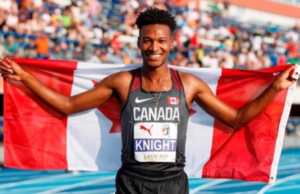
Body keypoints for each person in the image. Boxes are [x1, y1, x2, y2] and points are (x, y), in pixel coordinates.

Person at [0, 8, 297, 194]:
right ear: (139, 42)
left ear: (171, 44)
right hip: (131, 183)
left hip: (172, 185)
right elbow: (67, 106)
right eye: (147, 40)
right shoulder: (122, 82)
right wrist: (24, 77)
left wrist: (274, 88)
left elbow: (236, 118)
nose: (153, 47)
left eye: (160, 41)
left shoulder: (189, 85)